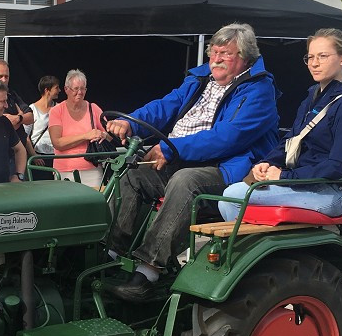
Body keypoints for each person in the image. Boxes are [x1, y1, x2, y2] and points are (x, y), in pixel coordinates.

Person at [104, 23, 279, 302]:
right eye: (213, 52)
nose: (216, 59)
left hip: (228, 169)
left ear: (245, 58)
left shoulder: (259, 92)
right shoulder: (200, 80)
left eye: (226, 54)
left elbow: (228, 137)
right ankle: (108, 255)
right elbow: (165, 106)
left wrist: (172, 150)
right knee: (131, 173)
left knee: (186, 182)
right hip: (183, 158)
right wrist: (129, 123)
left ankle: (148, 272)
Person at [218, 28, 342, 227]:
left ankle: (266, 252)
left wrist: (284, 176)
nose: (314, 63)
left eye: (323, 56)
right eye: (310, 57)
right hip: (307, 185)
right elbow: (290, 142)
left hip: (331, 192)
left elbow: (339, 165)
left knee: (233, 196)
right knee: (232, 194)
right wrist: (266, 162)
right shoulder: (312, 98)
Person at [48, 69, 108, 188]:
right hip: (65, 171)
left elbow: (110, 134)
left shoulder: (94, 108)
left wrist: (103, 135)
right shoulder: (56, 111)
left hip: (93, 170)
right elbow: (57, 142)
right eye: (76, 89)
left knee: (94, 204)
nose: (80, 92)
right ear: (66, 89)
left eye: (83, 88)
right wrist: (86, 136)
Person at [28, 75, 60, 172]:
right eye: (56, 88)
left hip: (56, 156)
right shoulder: (32, 109)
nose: (59, 90)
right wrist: (34, 155)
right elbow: (25, 136)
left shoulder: (59, 108)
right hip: (38, 157)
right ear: (47, 90)